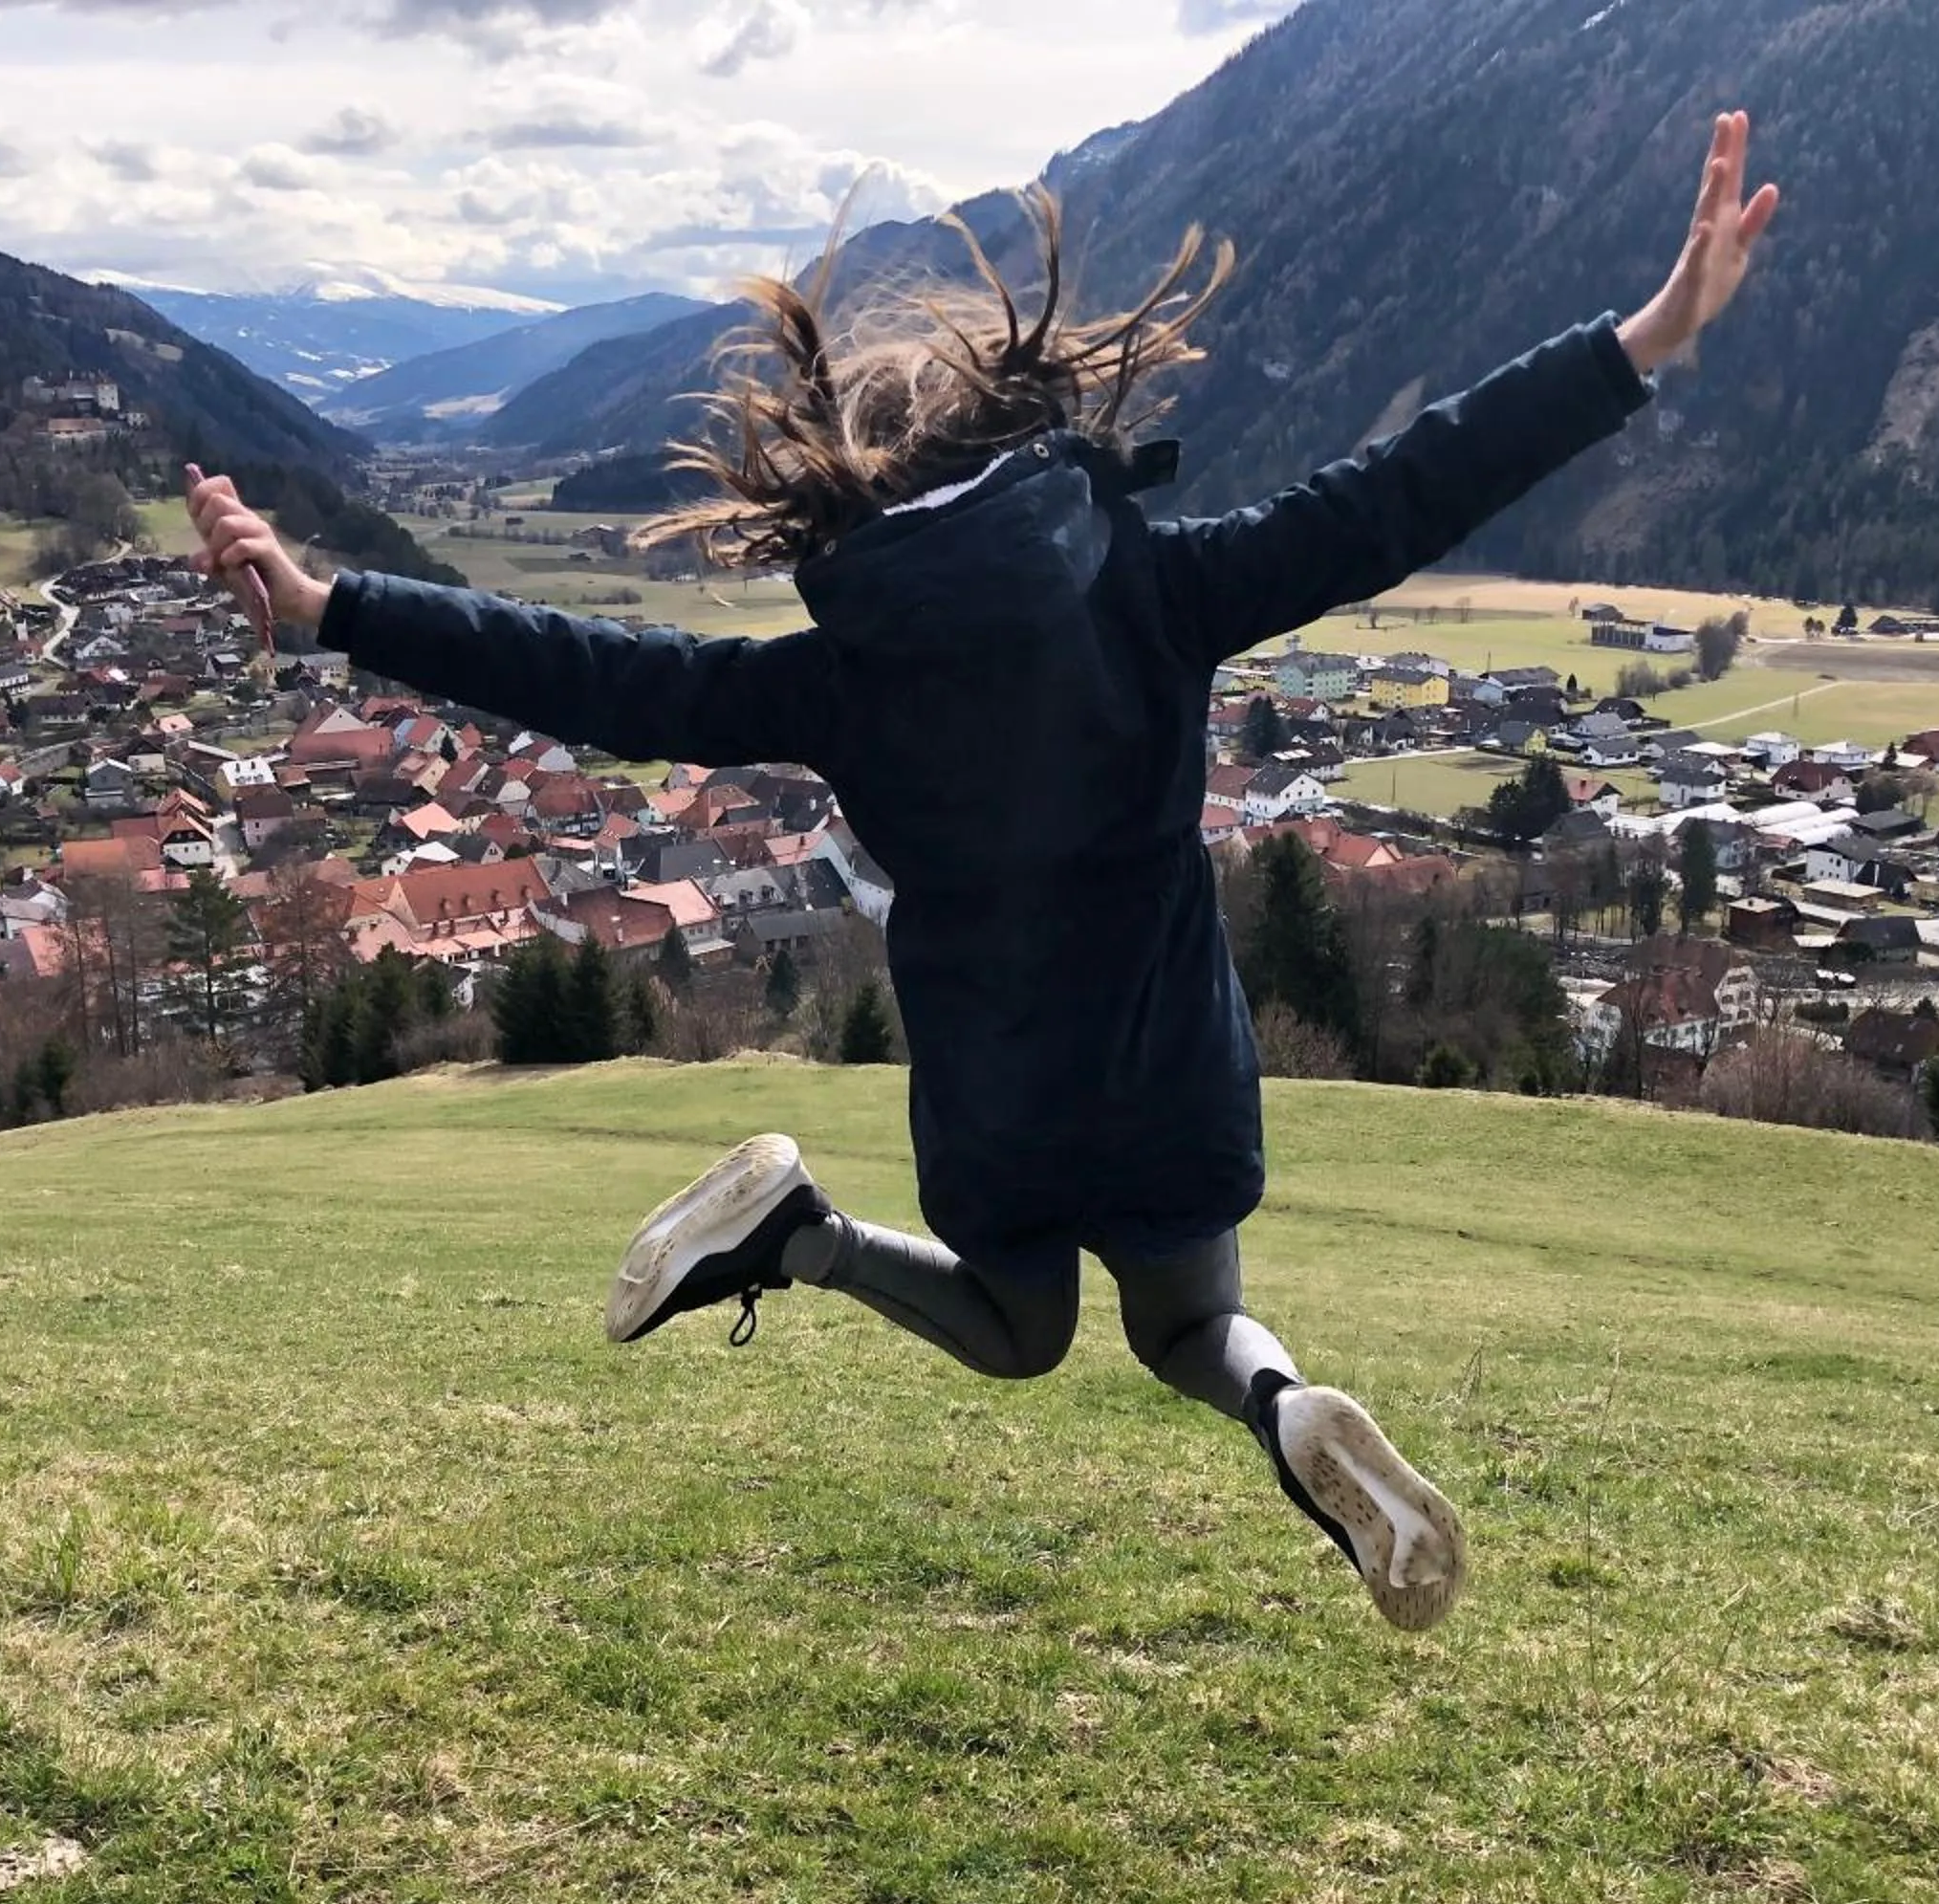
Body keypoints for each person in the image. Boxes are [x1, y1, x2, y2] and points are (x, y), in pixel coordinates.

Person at [187, 114, 1780, 1631]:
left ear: (853, 484)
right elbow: (1408, 489)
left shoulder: (843, 668)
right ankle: (1286, 1404)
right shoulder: (1154, 585)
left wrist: (331, 600)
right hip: (1168, 1065)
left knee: (1022, 1334)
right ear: (1027, 436)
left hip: (994, 1091)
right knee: (1189, 1328)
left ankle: (801, 1229)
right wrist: (1636, 341)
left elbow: (594, 672)